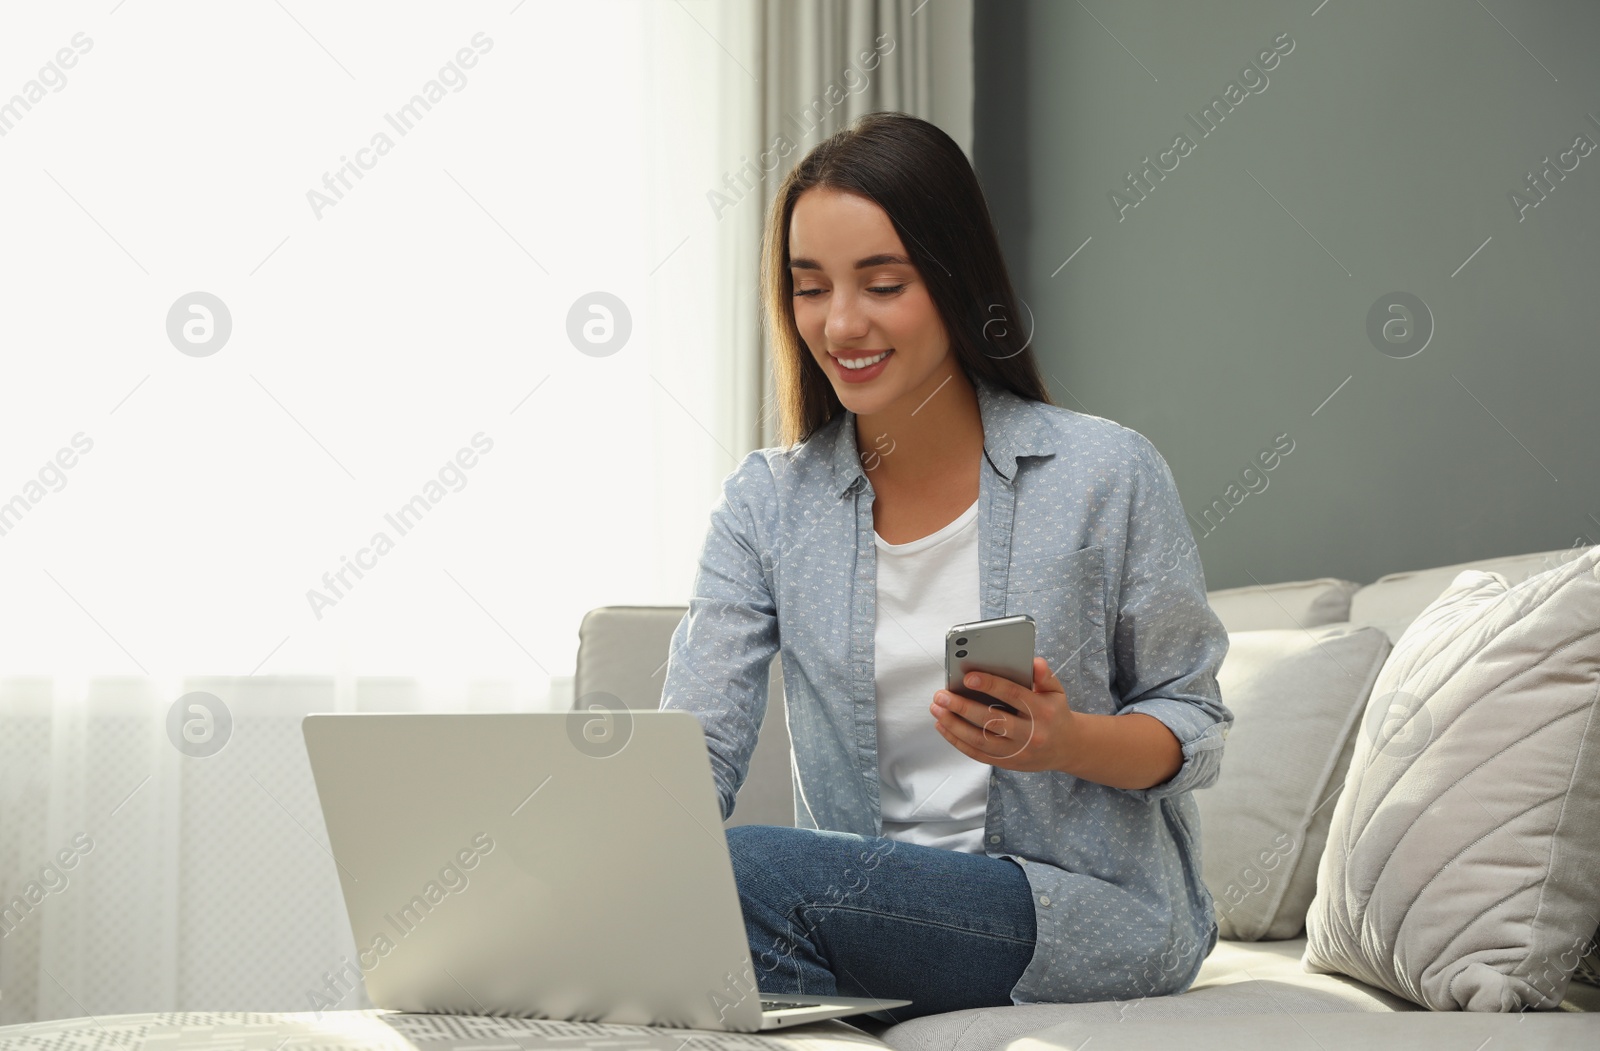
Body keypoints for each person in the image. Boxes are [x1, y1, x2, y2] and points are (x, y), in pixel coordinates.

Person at [659, 111, 1231, 1022]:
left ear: (955, 281)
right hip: (878, 910)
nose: (841, 323)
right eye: (810, 289)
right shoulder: (769, 506)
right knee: (667, 896)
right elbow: (694, 753)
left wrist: (1064, 740)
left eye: (882, 283)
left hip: (1078, 906)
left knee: (743, 877)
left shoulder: (1102, 473)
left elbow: (1193, 721)